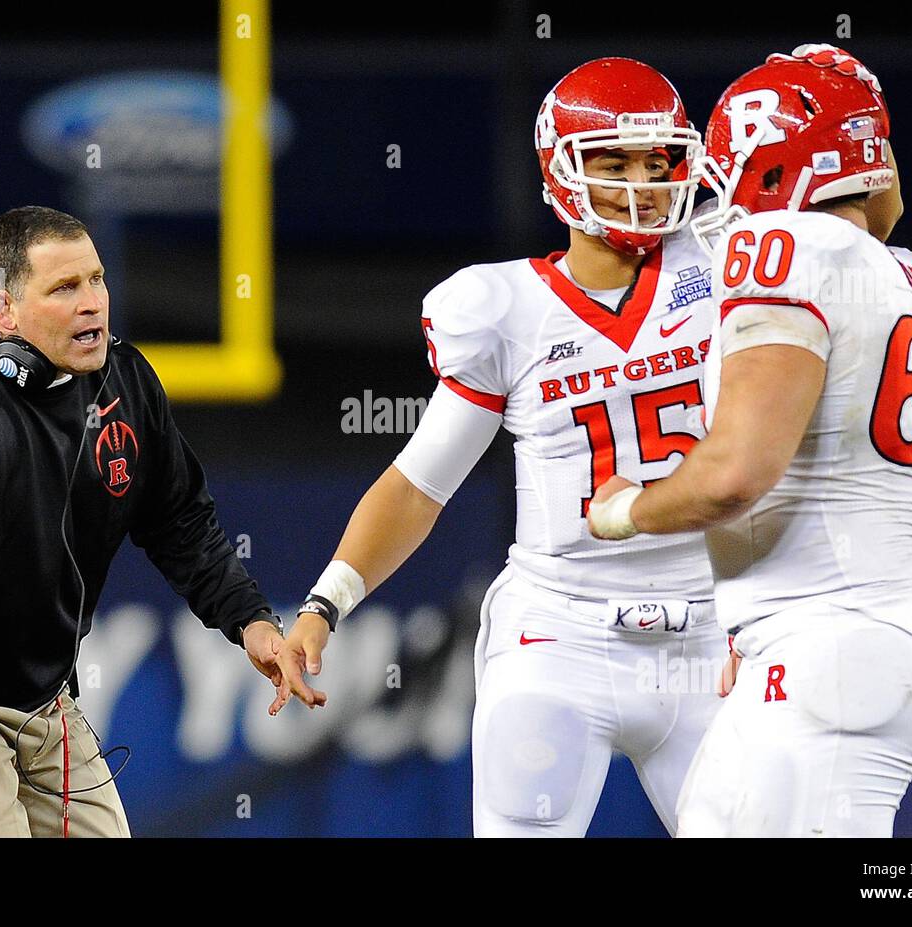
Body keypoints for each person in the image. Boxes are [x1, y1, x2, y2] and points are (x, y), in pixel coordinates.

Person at [276, 58, 730, 837]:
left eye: (656, 163)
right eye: (613, 161)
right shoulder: (505, 308)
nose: (641, 183)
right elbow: (421, 483)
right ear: (560, 170)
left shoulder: (725, 264)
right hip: (562, 633)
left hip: (714, 630)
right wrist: (326, 601)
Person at [588, 48, 912, 837]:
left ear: (774, 168)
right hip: (860, 648)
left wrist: (623, 510)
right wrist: (788, 623)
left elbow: (735, 473)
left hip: (831, 660)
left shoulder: (790, 252)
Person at [0, 206, 287, 837]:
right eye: (64, 289)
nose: (92, 303)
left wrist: (249, 619)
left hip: (39, 702)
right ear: (3, 309)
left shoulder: (125, 380)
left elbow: (179, 520)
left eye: (96, 280)